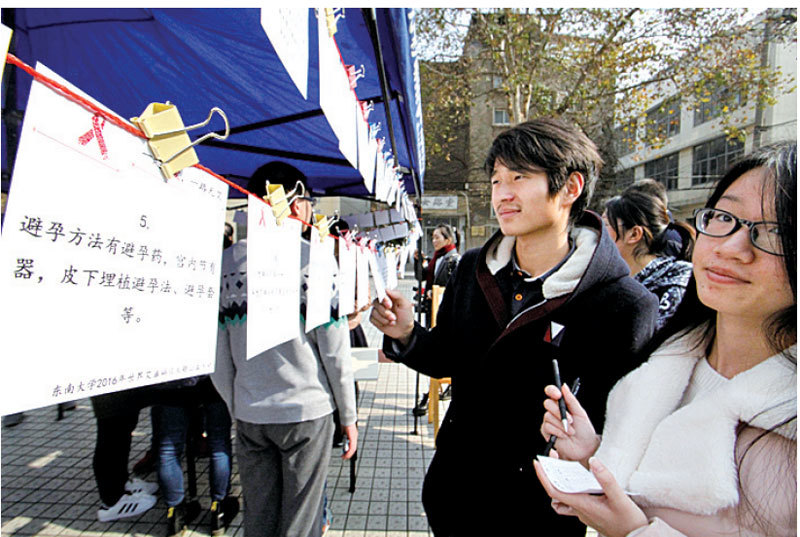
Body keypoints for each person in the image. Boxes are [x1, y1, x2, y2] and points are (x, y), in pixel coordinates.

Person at [370, 117, 658, 536]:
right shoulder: (473, 269)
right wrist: (407, 335)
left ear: (571, 188)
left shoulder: (623, 305)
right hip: (453, 495)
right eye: (496, 180)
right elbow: (449, 358)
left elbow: (621, 435)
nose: (502, 194)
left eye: (519, 177)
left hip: (542, 515)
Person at [535, 141, 797, 537]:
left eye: (774, 232)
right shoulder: (671, 355)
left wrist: (634, 531)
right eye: (725, 217)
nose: (732, 247)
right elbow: (645, 480)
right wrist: (594, 454)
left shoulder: (786, 420)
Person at [212, 161, 358, 537]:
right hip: (305, 412)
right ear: (294, 202)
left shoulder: (226, 263)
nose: (312, 210)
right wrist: (349, 415)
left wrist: (238, 402)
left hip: (250, 412)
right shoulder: (315, 260)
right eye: (310, 201)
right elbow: (335, 353)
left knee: (258, 517)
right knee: (301, 521)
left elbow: (216, 354)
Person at [154, 376, 238, 536]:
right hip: (212, 379)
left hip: (171, 380)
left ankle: (175, 514)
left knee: (169, 448)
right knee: (219, 441)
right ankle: (218, 509)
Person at [603, 187, 695, 329]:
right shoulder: (612, 281)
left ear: (634, 234)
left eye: (605, 224)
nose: (597, 233)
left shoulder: (676, 285)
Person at [90, 386, 160, 522]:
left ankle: (122, 483)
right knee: (111, 432)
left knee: (123, 429)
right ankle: (111, 501)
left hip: (122, 386)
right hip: (108, 385)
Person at [413, 223, 462, 416]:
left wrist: (439, 294)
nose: (433, 241)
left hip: (446, 316)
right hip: (431, 311)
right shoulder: (436, 259)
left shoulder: (454, 260)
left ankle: (430, 394)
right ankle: (434, 391)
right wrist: (419, 262)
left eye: (437, 237)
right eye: (432, 237)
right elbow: (422, 277)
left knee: (440, 353)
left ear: (448, 240)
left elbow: (456, 289)